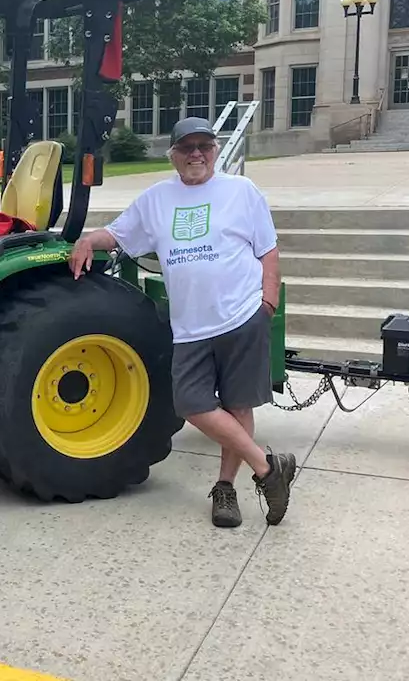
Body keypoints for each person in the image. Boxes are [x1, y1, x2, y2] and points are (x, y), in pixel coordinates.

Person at [67, 117, 297, 528]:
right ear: (172, 155)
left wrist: (268, 300)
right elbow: (119, 235)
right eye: (186, 147)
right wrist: (87, 240)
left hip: (242, 314)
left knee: (237, 404)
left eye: (203, 146)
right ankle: (268, 468)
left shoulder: (240, 191)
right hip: (190, 325)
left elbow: (268, 249)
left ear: (215, 150)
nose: (196, 154)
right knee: (191, 403)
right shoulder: (157, 199)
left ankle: (226, 488)